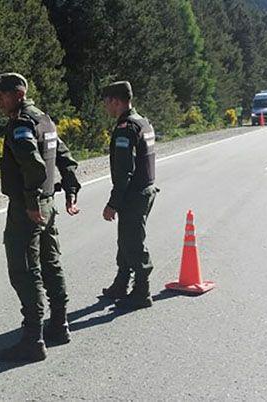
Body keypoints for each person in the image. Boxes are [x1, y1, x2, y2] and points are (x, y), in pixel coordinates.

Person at [0, 73, 81, 362]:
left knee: (25, 269)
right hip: (48, 203)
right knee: (50, 262)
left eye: (2, 95)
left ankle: (33, 339)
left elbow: (34, 165)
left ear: (17, 94)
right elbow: (65, 158)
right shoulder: (44, 119)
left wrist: (30, 202)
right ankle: (60, 324)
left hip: (27, 207)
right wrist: (70, 188)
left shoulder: (21, 123)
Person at [101, 81, 159, 310]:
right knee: (125, 239)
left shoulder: (126, 127)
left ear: (116, 101)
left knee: (133, 242)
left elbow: (124, 170)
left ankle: (142, 291)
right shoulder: (142, 122)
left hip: (134, 194)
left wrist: (112, 203)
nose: (106, 108)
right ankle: (121, 283)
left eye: (107, 103)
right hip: (145, 189)